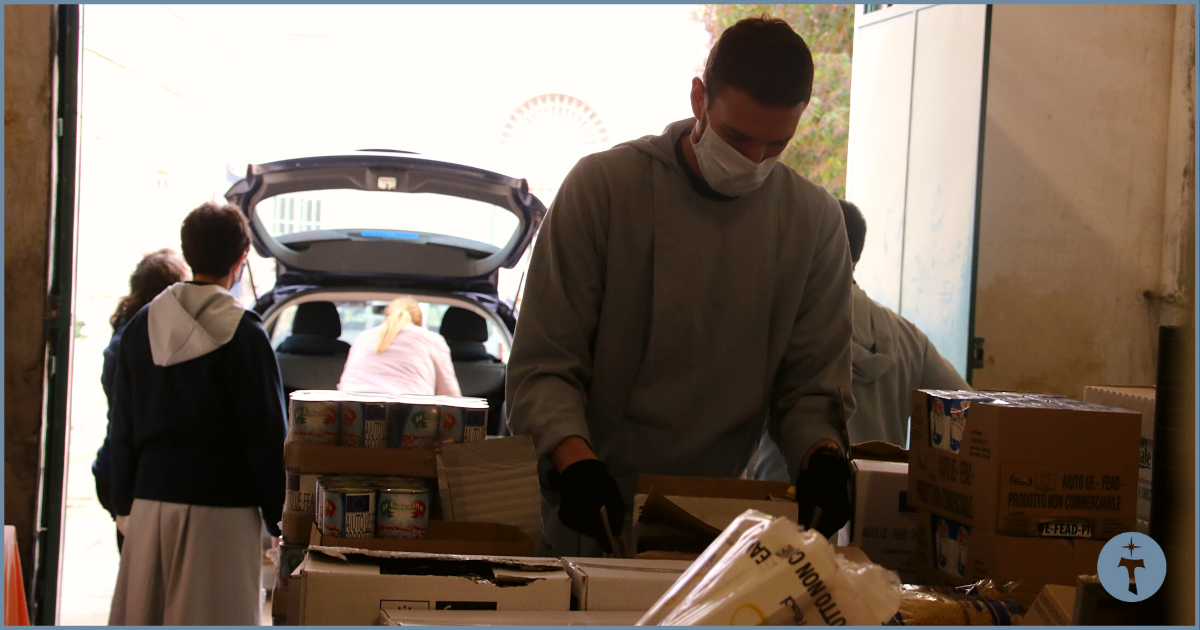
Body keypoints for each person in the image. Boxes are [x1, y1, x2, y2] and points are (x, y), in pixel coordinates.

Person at [505, 16, 856, 557]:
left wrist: (823, 456)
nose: (753, 161)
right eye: (737, 138)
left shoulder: (813, 223)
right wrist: (575, 462)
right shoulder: (603, 191)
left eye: (776, 144)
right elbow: (544, 366)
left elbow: (810, 388)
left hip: (715, 515)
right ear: (699, 99)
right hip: (588, 505)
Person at [107, 202, 286, 625]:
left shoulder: (142, 326)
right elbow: (266, 436)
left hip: (150, 503)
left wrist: (123, 503)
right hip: (222, 513)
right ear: (241, 260)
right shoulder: (245, 333)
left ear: (188, 252)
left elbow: (122, 425)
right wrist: (279, 516)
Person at [749, 199, 971, 482]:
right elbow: (969, 413)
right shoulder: (911, 340)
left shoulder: (780, 323)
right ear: (856, 258)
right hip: (876, 498)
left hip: (786, 497)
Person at [92, 248, 190, 552]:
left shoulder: (124, 331)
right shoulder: (150, 339)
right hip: (136, 474)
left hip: (111, 468)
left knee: (134, 563)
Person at [337, 297, 462, 397]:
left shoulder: (362, 337)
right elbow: (449, 394)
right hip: (409, 413)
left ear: (384, 321)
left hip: (355, 409)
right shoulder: (432, 340)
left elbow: (345, 384)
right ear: (420, 324)